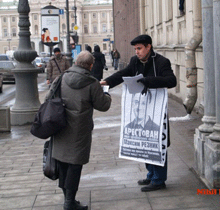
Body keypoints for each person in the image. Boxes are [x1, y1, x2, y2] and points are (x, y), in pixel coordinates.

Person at [100, 34, 177, 192]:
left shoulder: (162, 61)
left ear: (148, 47)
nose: (137, 52)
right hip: (140, 109)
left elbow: (171, 81)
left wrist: (149, 81)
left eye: (139, 48)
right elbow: (124, 74)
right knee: (144, 142)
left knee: (157, 143)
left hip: (156, 111)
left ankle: (159, 180)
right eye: (135, 49)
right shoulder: (135, 61)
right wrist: (107, 82)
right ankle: (151, 174)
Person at [46, 51, 112, 210]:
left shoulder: (61, 78)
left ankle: (68, 199)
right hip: (80, 130)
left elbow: (48, 98)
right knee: (75, 166)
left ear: (75, 62)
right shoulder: (92, 83)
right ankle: (69, 203)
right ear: (90, 65)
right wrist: (107, 94)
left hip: (60, 127)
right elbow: (103, 105)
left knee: (62, 163)